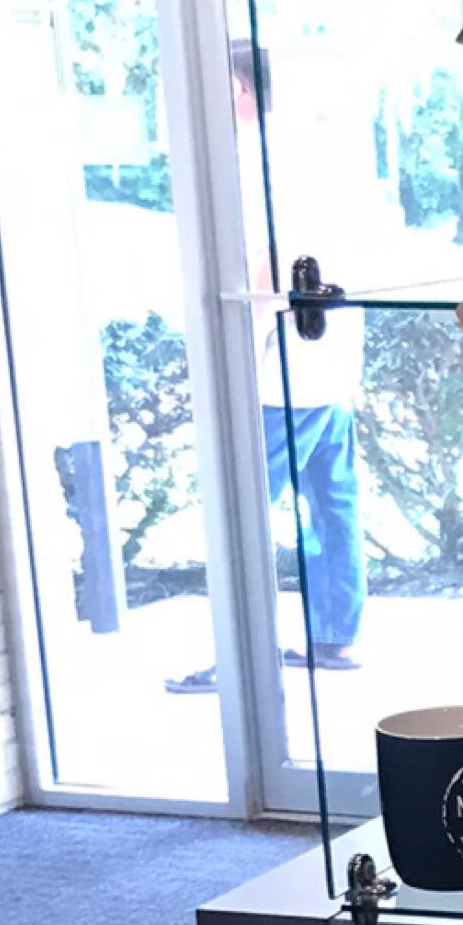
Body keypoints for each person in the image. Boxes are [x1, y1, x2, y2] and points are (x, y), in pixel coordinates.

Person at [171, 42, 363, 689]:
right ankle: (334, 637)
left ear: (244, 91)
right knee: (333, 504)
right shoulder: (307, 147)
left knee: (244, 507)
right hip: (327, 365)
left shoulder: (256, 159)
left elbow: (270, 259)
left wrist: (234, 345)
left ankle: (244, 657)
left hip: (286, 370)